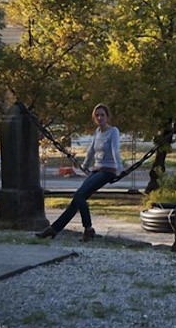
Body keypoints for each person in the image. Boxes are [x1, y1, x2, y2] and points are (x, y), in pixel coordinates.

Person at [36, 103, 123, 241]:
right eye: (97, 115)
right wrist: (84, 165)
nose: (100, 118)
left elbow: (115, 150)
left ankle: (88, 229)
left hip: (108, 170)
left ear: (107, 117)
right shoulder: (97, 132)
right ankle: (54, 230)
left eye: (102, 115)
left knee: (79, 195)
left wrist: (119, 169)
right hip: (97, 169)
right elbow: (91, 150)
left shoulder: (113, 131)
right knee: (77, 200)